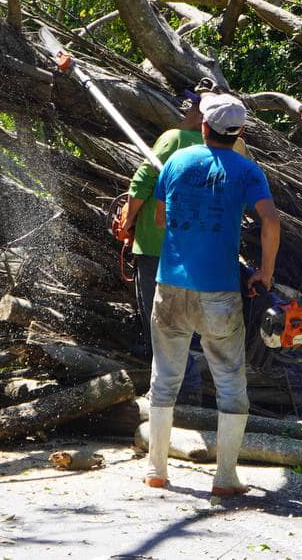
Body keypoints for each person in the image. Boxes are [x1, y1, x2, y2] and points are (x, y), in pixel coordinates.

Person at [145, 91, 279, 496]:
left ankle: (156, 470)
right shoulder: (246, 171)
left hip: (170, 286)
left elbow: (158, 216)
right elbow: (270, 222)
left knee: (164, 377)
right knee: (230, 381)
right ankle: (225, 478)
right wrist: (265, 274)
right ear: (239, 131)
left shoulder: (176, 162)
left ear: (204, 126)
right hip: (219, 293)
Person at [121, 79, 249, 399]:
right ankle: (188, 390)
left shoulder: (174, 140)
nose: (187, 106)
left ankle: (180, 392)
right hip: (199, 254)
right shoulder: (234, 152)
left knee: (161, 324)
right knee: (190, 326)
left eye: (193, 103)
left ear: (204, 115)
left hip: (156, 246)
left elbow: (143, 182)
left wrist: (127, 221)